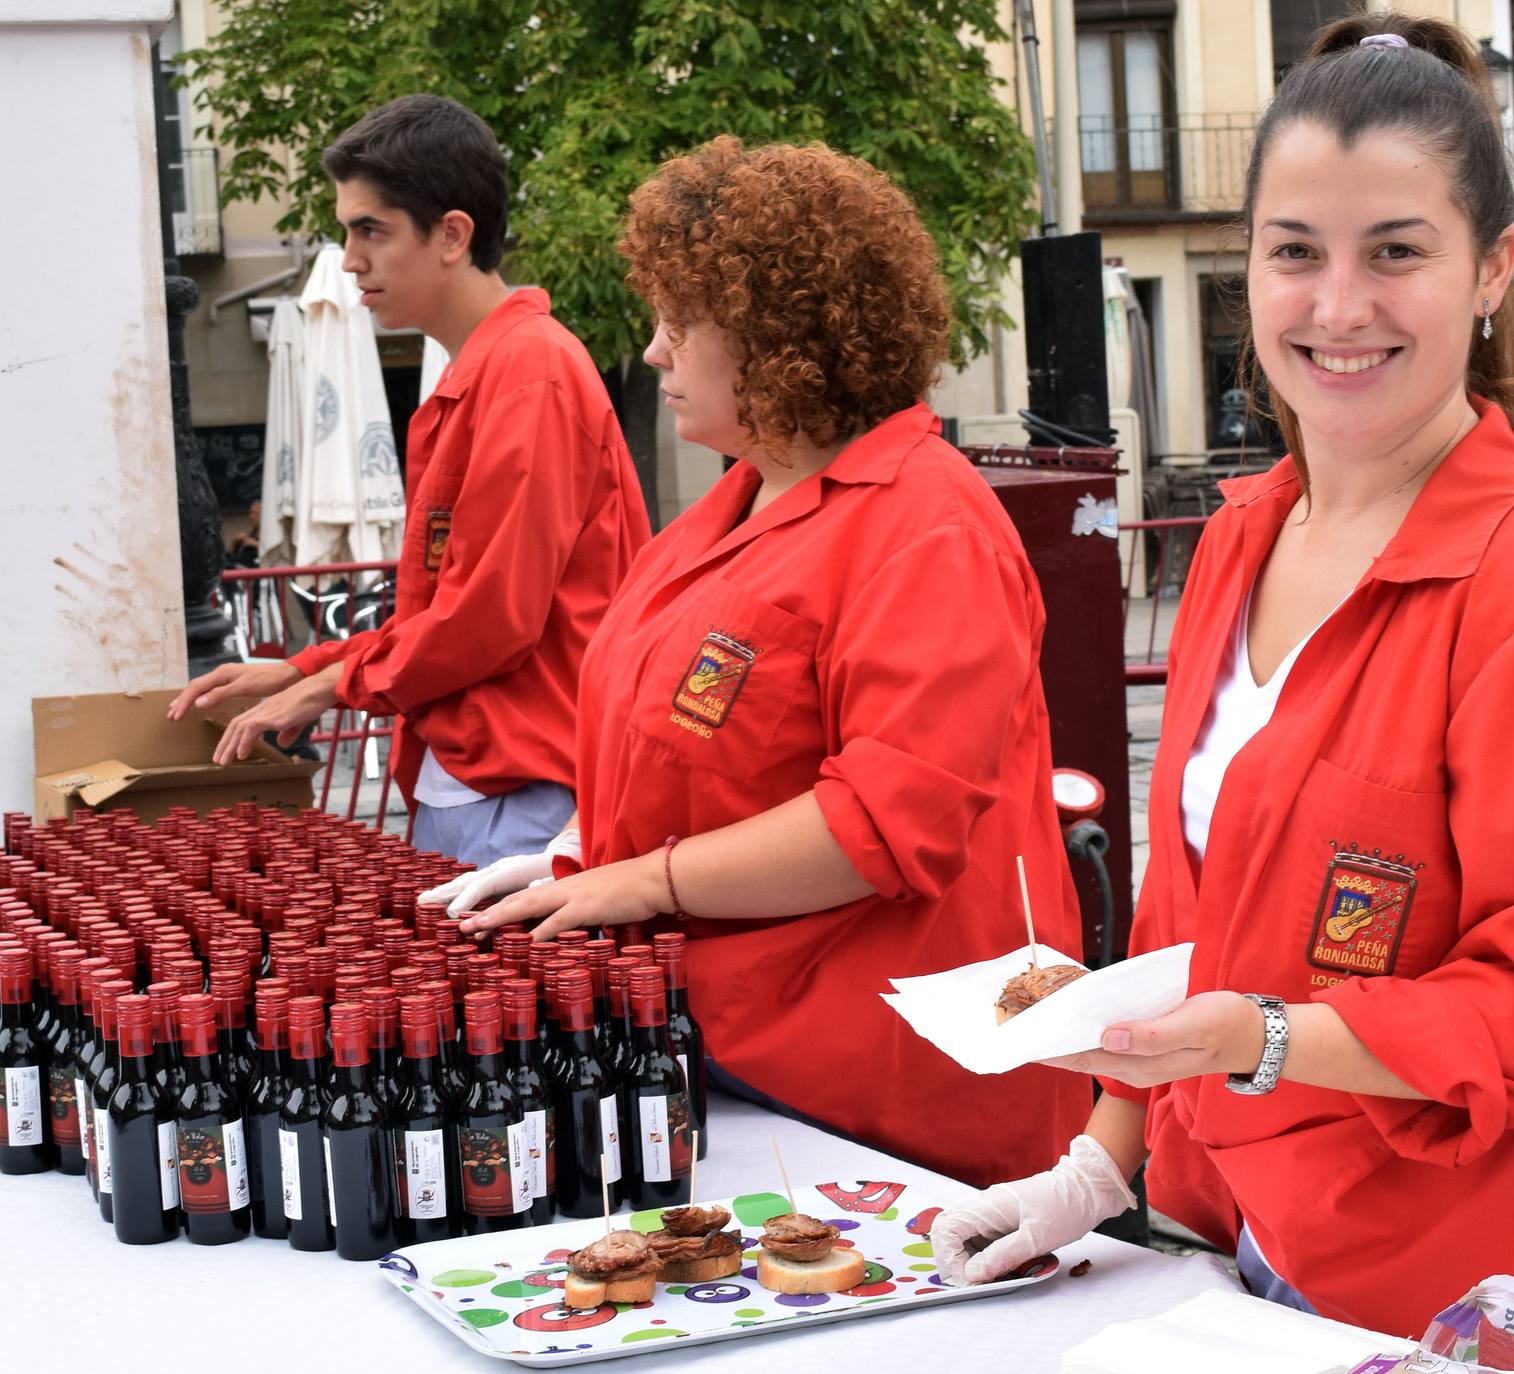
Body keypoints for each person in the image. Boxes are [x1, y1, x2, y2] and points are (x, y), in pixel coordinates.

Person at [931, 15, 1514, 1355]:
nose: (1337, 307)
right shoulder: (1239, 538)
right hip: (1265, 1249)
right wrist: (1102, 1161)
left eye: (1396, 251)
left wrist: (1265, 1034)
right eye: (1294, 253)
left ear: (1493, 268)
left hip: (1478, 1295)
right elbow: (1201, 927)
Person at [441, 137, 1088, 1185]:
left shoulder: (928, 526)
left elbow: (887, 825)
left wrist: (634, 883)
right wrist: (572, 858)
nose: (653, 353)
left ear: (773, 338)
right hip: (736, 1057)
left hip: (888, 1095)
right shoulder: (737, 499)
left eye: (677, 325)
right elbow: (648, 743)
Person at [168, 95, 651, 865]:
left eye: (371, 230)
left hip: (523, 784)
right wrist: (303, 665)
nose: (351, 257)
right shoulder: (486, 370)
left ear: (452, 234)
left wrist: (332, 681)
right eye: (347, 231)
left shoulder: (529, 371)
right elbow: (459, 611)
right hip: (482, 781)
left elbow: (490, 619)